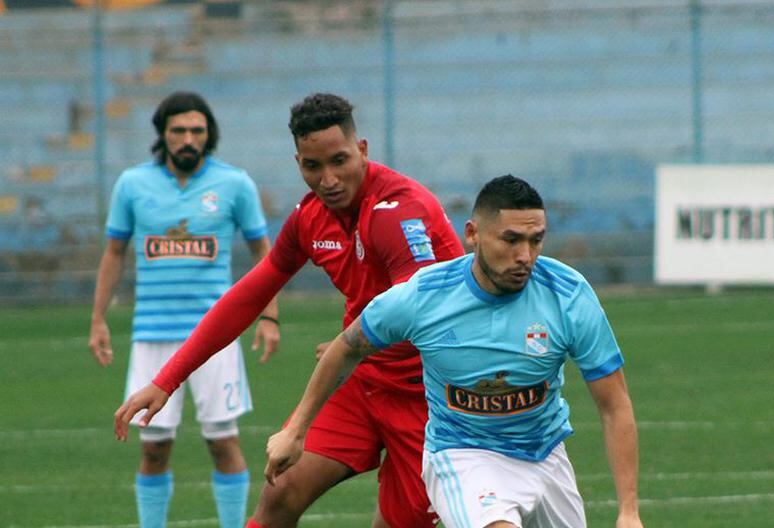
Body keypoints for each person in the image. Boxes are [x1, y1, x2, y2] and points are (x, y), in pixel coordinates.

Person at [114, 93, 465, 527]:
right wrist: (168, 379)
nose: (328, 179)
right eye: (312, 167)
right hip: (363, 383)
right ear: (298, 161)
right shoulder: (310, 217)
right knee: (280, 492)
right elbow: (246, 297)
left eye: (339, 160)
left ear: (363, 150)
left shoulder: (397, 212)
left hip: (429, 398)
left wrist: (350, 344)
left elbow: (419, 310)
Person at [264, 175, 644, 527]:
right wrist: (296, 430)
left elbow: (615, 404)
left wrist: (629, 511)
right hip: (463, 454)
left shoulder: (568, 295)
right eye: (511, 240)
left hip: (545, 454)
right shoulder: (425, 296)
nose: (525, 255)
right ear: (473, 234)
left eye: (536, 240)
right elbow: (347, 347)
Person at [90, 91, 281, 528]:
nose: (188, 138)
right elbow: (114, 251)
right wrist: (98, 318)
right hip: (152, 334)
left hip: (215, 337)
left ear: (208, 134)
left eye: (197, 130)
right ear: (163, 135)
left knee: (222, 442)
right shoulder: (132, 184)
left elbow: (266, 255)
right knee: (153, 447)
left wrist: (268, 316)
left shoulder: (235, 184)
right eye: (179, 131)